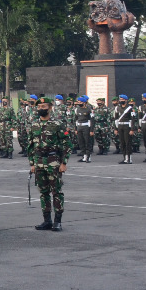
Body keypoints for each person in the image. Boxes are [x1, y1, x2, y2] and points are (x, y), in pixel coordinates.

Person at [28, 95, 69, 231]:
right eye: (39, 107)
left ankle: (58, 221)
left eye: (44, 107)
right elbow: (31, 146)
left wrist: (63, 163)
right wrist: (32, 164)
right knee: (43, 192)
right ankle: (47, 220)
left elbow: (67, 144)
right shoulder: (34, 125)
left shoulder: (57, 124)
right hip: (39, 162)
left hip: (53, 162)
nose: (41, 109)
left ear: (50, 108)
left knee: (56, 192)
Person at [114, 95, 135, 164]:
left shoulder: (130, 108)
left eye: (122, 99)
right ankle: (124, 158)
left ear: (126, 100)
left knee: (127, 142)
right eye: (120, 99)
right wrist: (116, 128)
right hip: (120, 126)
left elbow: (132, 119)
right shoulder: (117, 108)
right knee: (122, 143)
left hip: (127, 126)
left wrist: (132, 129)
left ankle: (129, 158)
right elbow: (116, 119)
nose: (121, 100)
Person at [73, 96, 93, 163]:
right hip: (79, 127)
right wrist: (75, 129)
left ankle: (88, 156)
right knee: (81, 142)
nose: (79, 103)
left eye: (80, 102)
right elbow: (75, 119)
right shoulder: (77, 109)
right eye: (78, 102)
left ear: (84, 102)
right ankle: (84, 156)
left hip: (86, 127)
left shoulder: (89, 109)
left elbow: (92, 120)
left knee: (87, 142)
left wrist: (91, 130)